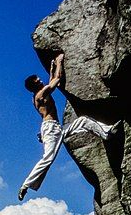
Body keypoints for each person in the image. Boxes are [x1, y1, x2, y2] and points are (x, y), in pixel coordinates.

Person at [18, 54, 120, 201]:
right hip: (51, 130)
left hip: (56, 128)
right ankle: (26, 185)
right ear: (35, 86)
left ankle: (107, 132)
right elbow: (57, 80)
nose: (40, 80)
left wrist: (52, 69)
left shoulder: (39, 94)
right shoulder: (41, 94)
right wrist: (59, 62)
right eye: (37, 80)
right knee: (48, 158)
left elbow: (51, 81)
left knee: (84, 121)